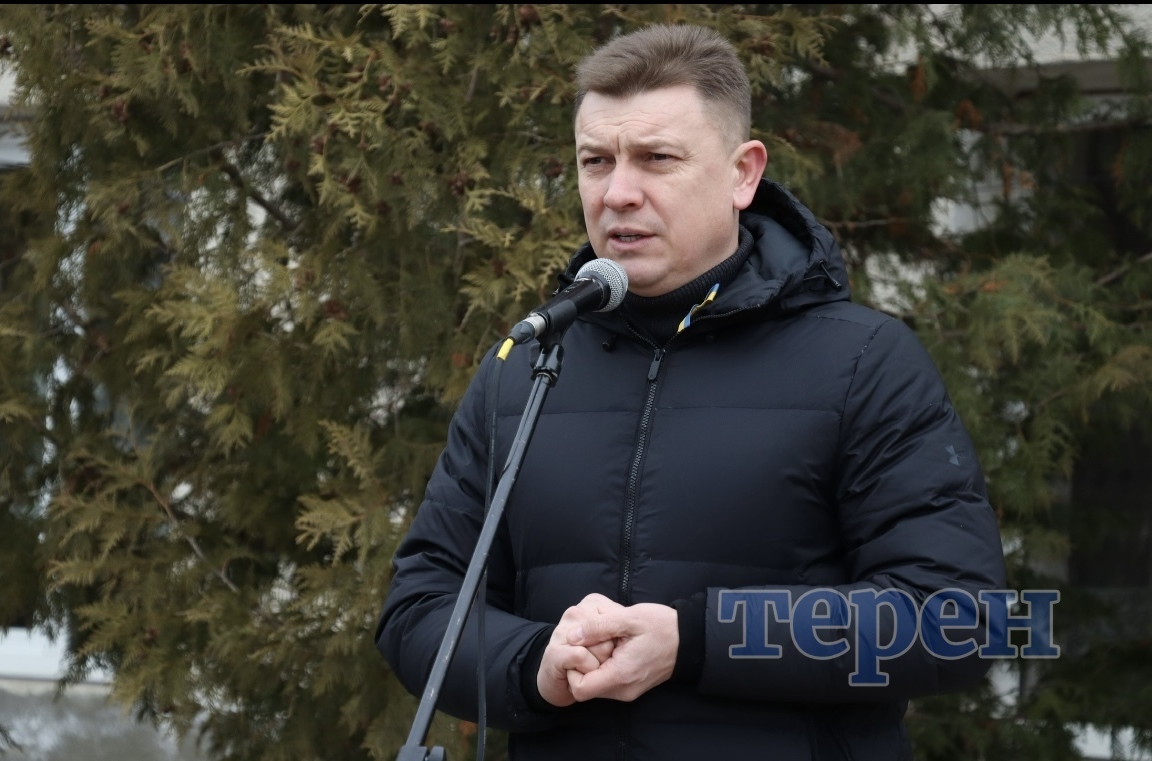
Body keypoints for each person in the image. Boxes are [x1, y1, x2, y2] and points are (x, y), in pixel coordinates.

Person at [375, 23, 1007, 761]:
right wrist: (534, 664)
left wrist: (696, 639)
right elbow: (420, 606)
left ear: (743, 174)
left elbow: (960, 619)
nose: (618, 193)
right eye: (595, 161)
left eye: (657, 159)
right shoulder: (527, 367)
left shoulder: (864, 362)